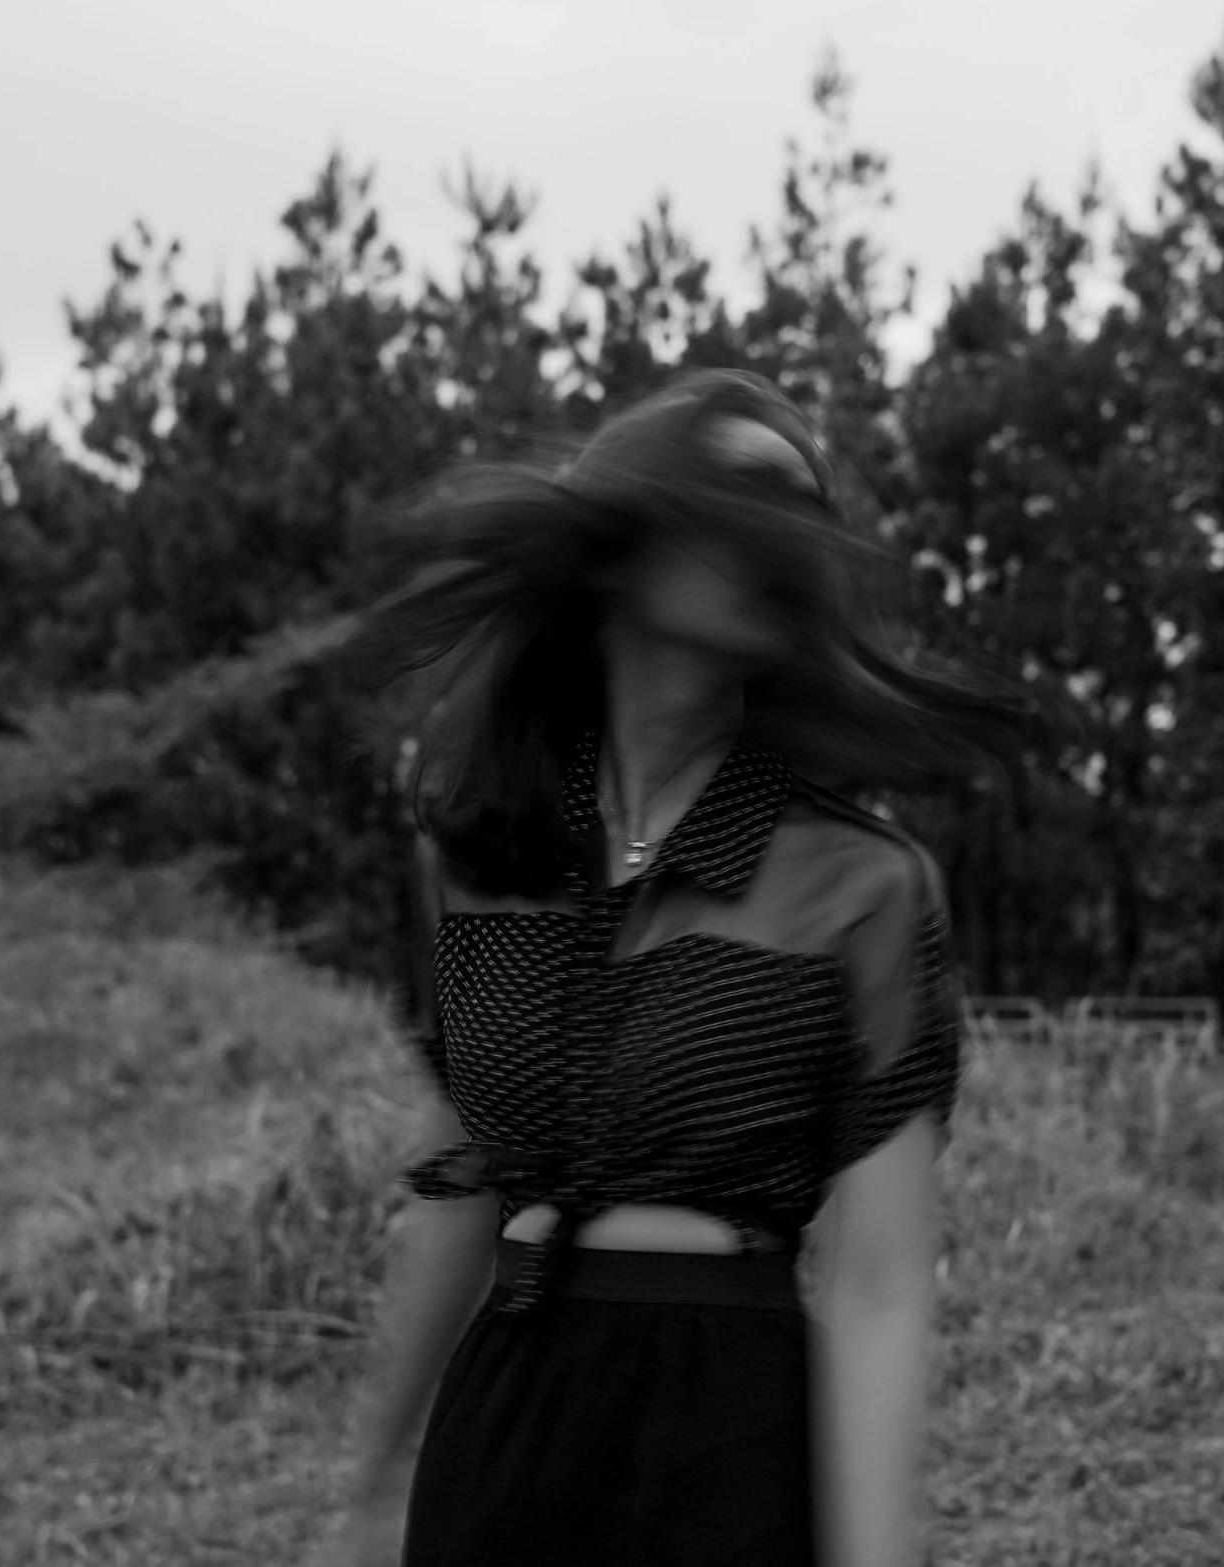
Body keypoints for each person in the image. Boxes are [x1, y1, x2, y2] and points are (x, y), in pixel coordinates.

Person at [332, 369, 1023, 1567]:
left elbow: (875, 1282)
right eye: (745, 495)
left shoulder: (859, 884)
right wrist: (368, 1488)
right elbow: (458, 1184)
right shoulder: (484, 858)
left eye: (805, 509)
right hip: (498, 1440)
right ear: (614, 549)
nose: (785, 533)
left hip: (724, 1443)